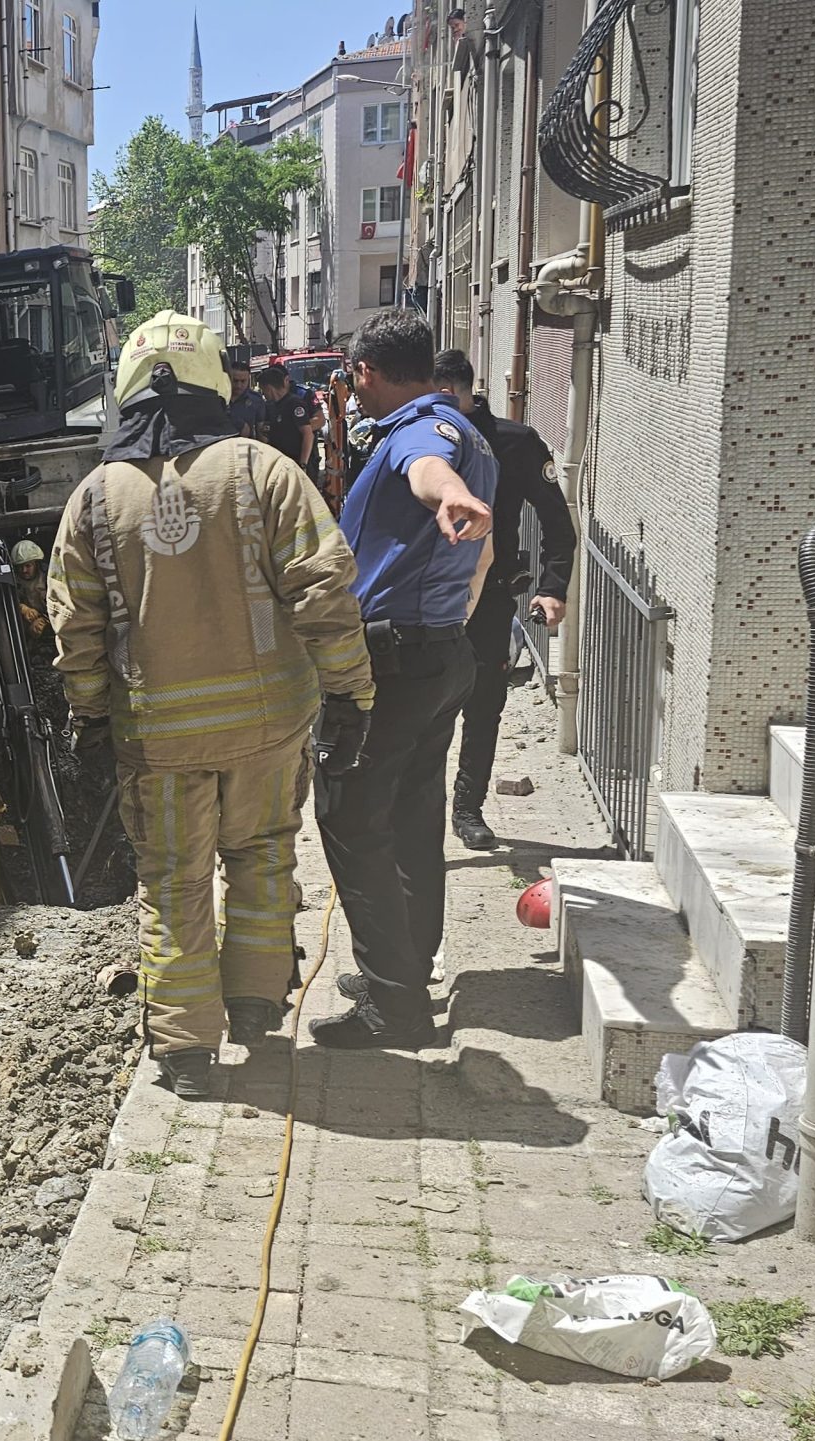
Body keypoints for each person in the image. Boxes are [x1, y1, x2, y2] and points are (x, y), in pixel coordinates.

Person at [47, 312, 375, 1099]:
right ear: (212, 382)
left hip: (157, 740)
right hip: (268, 729)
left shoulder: (94, 497)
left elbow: (76, 624)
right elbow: (324, 589)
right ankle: (257, 1004)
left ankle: (186, 1051)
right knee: (263, 853)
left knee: (173, 882)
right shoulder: (263, 473)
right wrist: (350, 693)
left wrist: (89, 716)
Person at [310, 311, 497, 1050]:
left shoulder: (419, 434)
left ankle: (395, 1004)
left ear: (366, 372)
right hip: (439, 653)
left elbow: (427, 470)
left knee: (350, 817)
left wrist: (447, 495)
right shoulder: (467, 427)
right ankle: (405, 970)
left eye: (355, 382)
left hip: (393, 662)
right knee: (414, 817)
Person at [429, 352, 577, 849]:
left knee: (485, 705)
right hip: (427, 600)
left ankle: (468, 810)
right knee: (423, 708)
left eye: (449, 395)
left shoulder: (513, 444)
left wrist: (554, 588)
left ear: (466, 391)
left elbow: (558, 521)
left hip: (489, 598)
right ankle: (419, 812)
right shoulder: (418, 440)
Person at [256, 364, 322, 472]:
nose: (263, 394)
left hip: (297, 462)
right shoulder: (272, 406)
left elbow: (308, 434)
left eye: (263, 391)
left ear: (269, 388)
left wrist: (303, 465)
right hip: (282, 463)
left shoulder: (295, 404)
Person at [226, 365, 270, 440]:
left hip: (245, 447)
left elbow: (261, 432)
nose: (239, 385)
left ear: (248, 380)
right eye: (235, 381)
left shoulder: (256, 400)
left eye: (243, 381)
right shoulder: (218, 398)